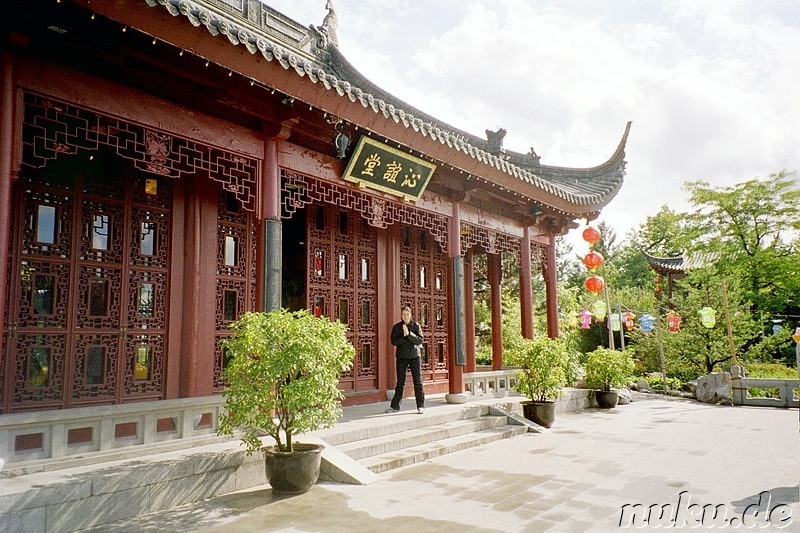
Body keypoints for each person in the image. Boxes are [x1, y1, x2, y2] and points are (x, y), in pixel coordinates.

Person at [386, 305, 425, 414]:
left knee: (418, 381)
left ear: (411, 315)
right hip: (402, 357)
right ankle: (395, 406)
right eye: (404, 314)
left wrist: (409, 334)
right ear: (401, 315)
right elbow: (394, 341)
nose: (406, 316)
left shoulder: (416, 326)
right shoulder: (397, 327)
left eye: (407, 314)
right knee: (400, 382)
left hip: (414, 356)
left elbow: (419, 340)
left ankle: (421, 406)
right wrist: (404, 337)